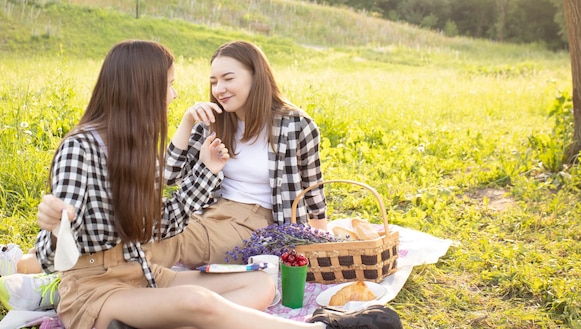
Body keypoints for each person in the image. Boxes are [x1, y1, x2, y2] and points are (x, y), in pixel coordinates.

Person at [28, 39, 404, 329]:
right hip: (99, 283)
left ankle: (147, 319)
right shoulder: (82, 147)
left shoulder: (135, 145)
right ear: (142, 88)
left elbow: (161, 221)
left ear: (256, 76)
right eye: (170, 85)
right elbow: (59, 249)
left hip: (147, 270)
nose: (177, 95)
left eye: (228, 78)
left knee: (262, 286)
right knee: (196, 298)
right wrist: (58, 227)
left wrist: (318, 241)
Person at [146, 39, 328, 268]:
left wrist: (321, 250)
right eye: (214, 82)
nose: (219, 89)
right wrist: (187, 121)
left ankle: (113, 282)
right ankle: (108, 273)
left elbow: (313, 191)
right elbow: (169, 176)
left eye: (228, 78)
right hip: (207, 212)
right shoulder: (212, 123)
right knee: (148, 226)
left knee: (175, 239)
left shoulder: (295, 126)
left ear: (256, 76)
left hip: (256, 223)